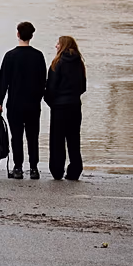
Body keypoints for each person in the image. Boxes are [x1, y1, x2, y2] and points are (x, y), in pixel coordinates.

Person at [0, 22, 47, 180]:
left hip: (15, 103)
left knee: (16, 136)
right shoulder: (38, 56)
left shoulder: (10, 56)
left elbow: (3, 80)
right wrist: (39, 97)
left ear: (18, 34)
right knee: (33, 136)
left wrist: (0, 101)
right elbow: (43, 81)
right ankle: (34, 169)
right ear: (31, 36)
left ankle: (18, 168)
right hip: (33, 103)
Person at [44, 36, 87, 181]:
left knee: (57, 140)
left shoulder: (57, 63)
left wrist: (51, 102)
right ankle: (75, 170)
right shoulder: (79, 63)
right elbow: (83, 87)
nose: (56, 46)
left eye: (58, 43)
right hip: (75, 106)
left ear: (63, 45)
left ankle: (57, 170)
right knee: (74, 139)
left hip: (59, 107)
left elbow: (51, 87)